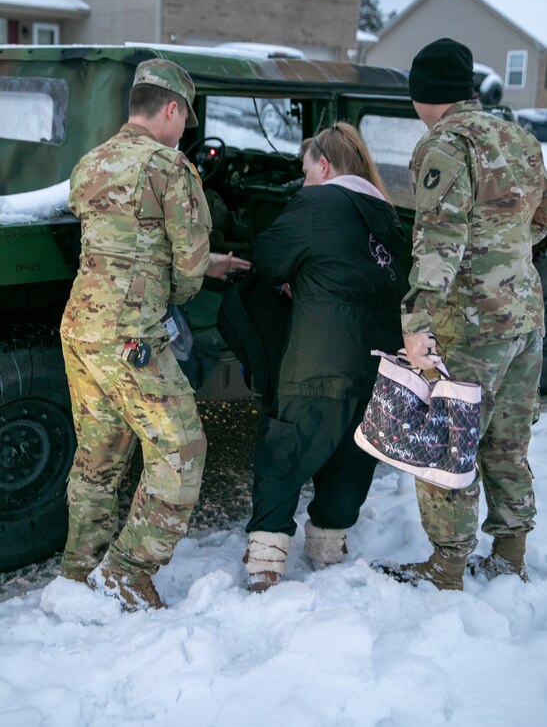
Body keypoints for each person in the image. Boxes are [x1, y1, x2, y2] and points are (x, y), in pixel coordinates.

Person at [374, 38, 547, 591]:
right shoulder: (519, 136)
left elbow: (438, 240)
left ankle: (447, 565)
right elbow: (540, 219)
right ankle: (510, 555)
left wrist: (418, 320)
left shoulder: (444, 145)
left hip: (470, 324)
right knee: (507, 441)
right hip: (524, 315)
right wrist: (507, 257)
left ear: (422, 95)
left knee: (448, 439)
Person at [59, 58, 215, 612]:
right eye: (184, 120)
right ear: (171, 110)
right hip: (134, 339)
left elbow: (110, 235)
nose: (183, 132)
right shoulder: (171, 169)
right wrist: (180, 282)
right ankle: (125, 572)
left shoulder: (89, 163)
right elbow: (190, 270)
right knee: (181, 452)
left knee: (97, 456)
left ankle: (79, 570)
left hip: (81, 329)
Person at [242, 122, 410, 591]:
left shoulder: (319, 202)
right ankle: (328, 546)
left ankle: (265, 561)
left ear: (325, 164)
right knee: (351, 454)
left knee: (288, 448)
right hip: (379, 364)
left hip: (320, 358)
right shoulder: (389, 216)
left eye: (306, 170)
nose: (303, 181)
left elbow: (270, 257)